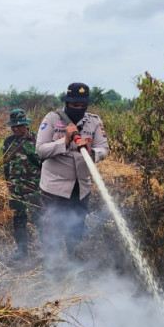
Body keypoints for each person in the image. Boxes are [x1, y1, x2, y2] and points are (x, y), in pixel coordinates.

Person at [36, 82, 109, 256]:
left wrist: (92, 153)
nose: (79, 108)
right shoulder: (52, 119)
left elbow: (103, 149)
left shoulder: (94, 121)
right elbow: (40, 149)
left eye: (83, 105)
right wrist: (65, 141)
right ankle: (51, 271)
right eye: (75, 105)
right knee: (52, 232)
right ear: (67, 103)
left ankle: (73, 267)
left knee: (76, 231)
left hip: (81, 189)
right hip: (54, 189)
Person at [3, 108, 42, 261]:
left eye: (19, 126)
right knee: (19, 219)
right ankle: (21, 251)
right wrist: (8, 183)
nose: (16, 129)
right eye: (14, 126)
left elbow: (45, 163)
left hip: (34, 186)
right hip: (16, 187)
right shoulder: (8, 142)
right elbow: (6, 165)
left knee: (39, 218)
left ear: (26, 125)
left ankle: (44, 250)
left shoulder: (37, 140)